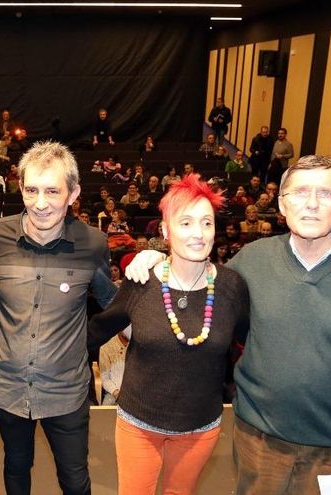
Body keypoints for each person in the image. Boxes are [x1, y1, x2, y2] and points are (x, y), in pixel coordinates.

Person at [126, 155, 331, 493]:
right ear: (281, 205)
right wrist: (155, 255)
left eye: (326, 194)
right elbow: (202, 279)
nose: (312, 204)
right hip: (257, 439)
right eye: (300, 193)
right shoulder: (253, 259)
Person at [90, 174, 249, 494]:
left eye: (207, 223)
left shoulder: (232, 286)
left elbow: (253, 345)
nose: (198, 233)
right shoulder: (141, 281)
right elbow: (96, 330)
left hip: (199, 426)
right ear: (165, 231)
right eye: (186, 222)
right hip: (138, 424)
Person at [0, 141, 117, 495]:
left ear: (73, 193)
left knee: (74, 479)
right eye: (31, 190)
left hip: (66, 390)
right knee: (16, 466)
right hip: (6, 385)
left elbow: (112, 303)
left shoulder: (94, 243)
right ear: (20, 188)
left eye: (52, 191)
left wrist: (82, 343)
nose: (40, 204)